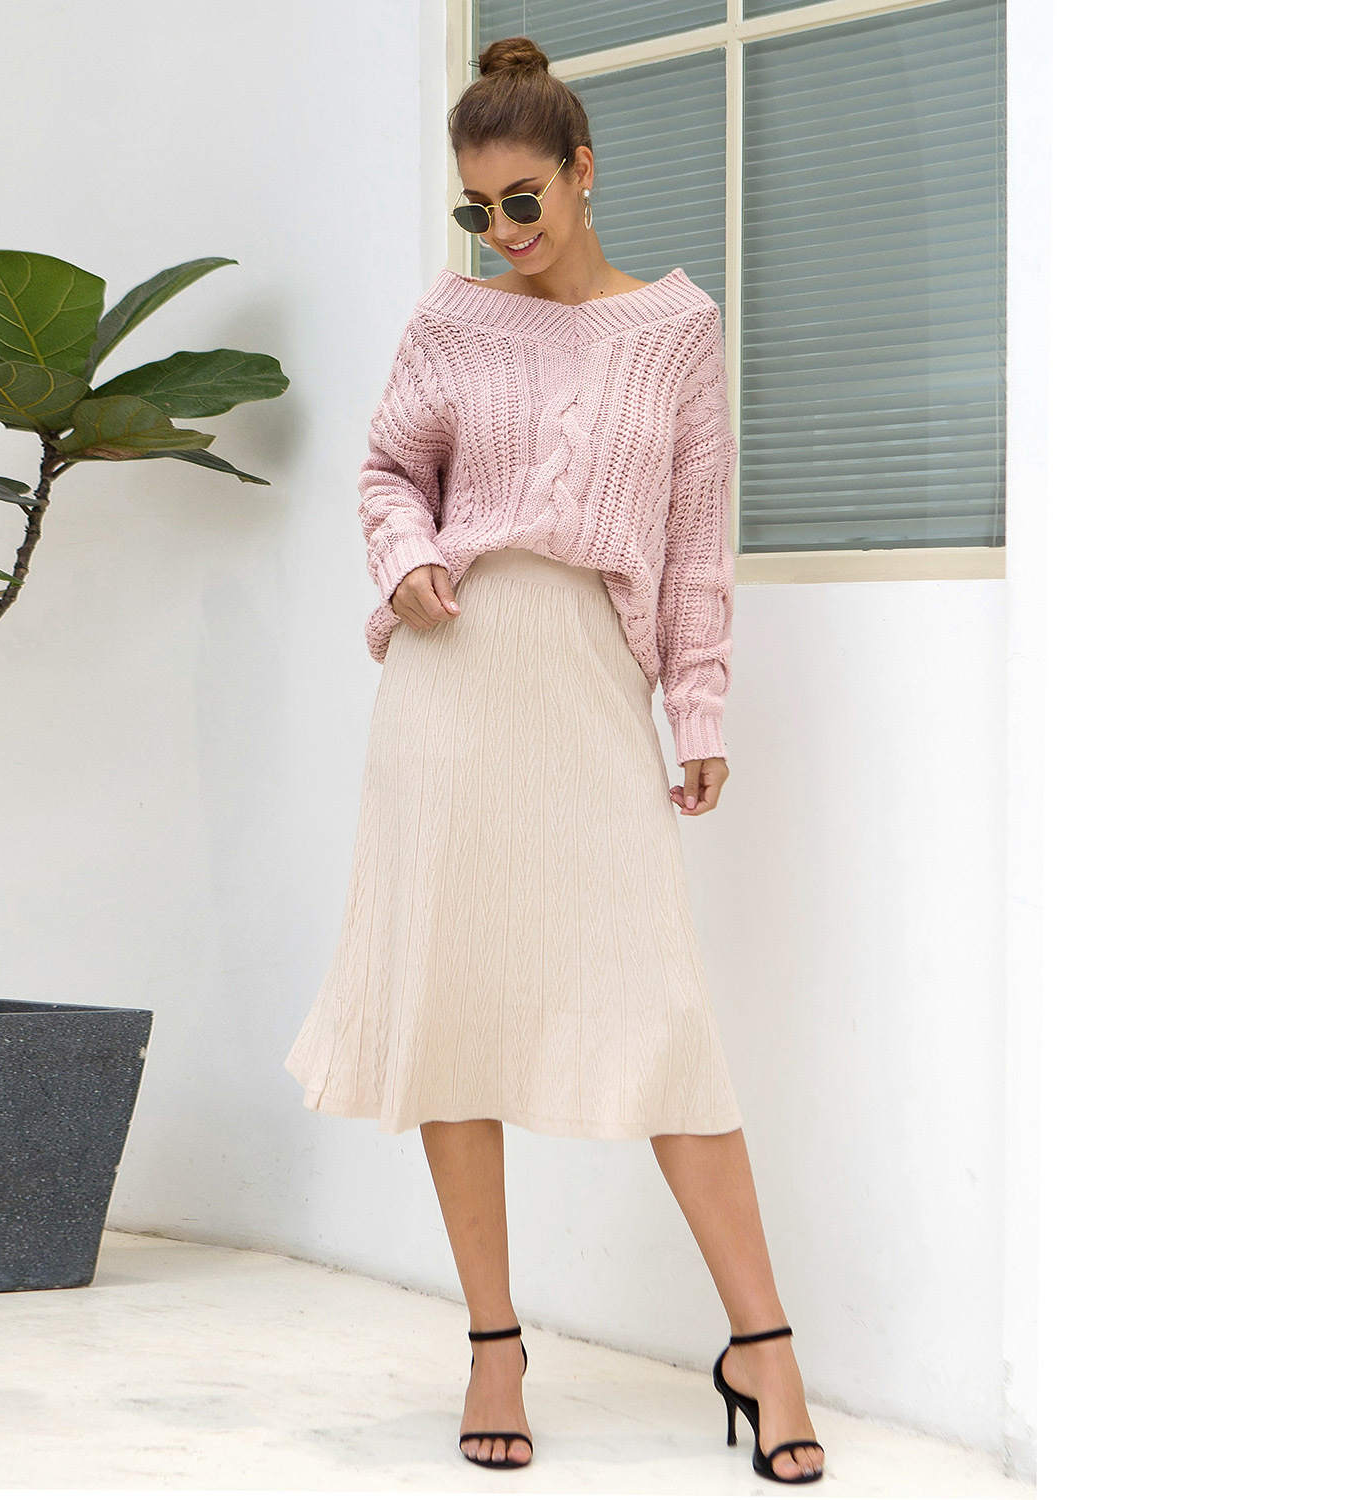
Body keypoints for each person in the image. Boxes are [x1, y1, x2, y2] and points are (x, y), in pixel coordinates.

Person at [283, 33, 825, 1485]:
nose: (504, 230)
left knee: (664, 1016)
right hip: (451, 684)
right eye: (478, 209)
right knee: (455, 1009)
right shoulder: (453, 321)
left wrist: (697, 712)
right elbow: (388, 471)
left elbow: (695, 542)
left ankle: (764, 1346)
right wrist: (404, 558)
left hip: (588, 684)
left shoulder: (676, 332)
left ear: (584, 171)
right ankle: (492, 1342)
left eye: (523, 199)